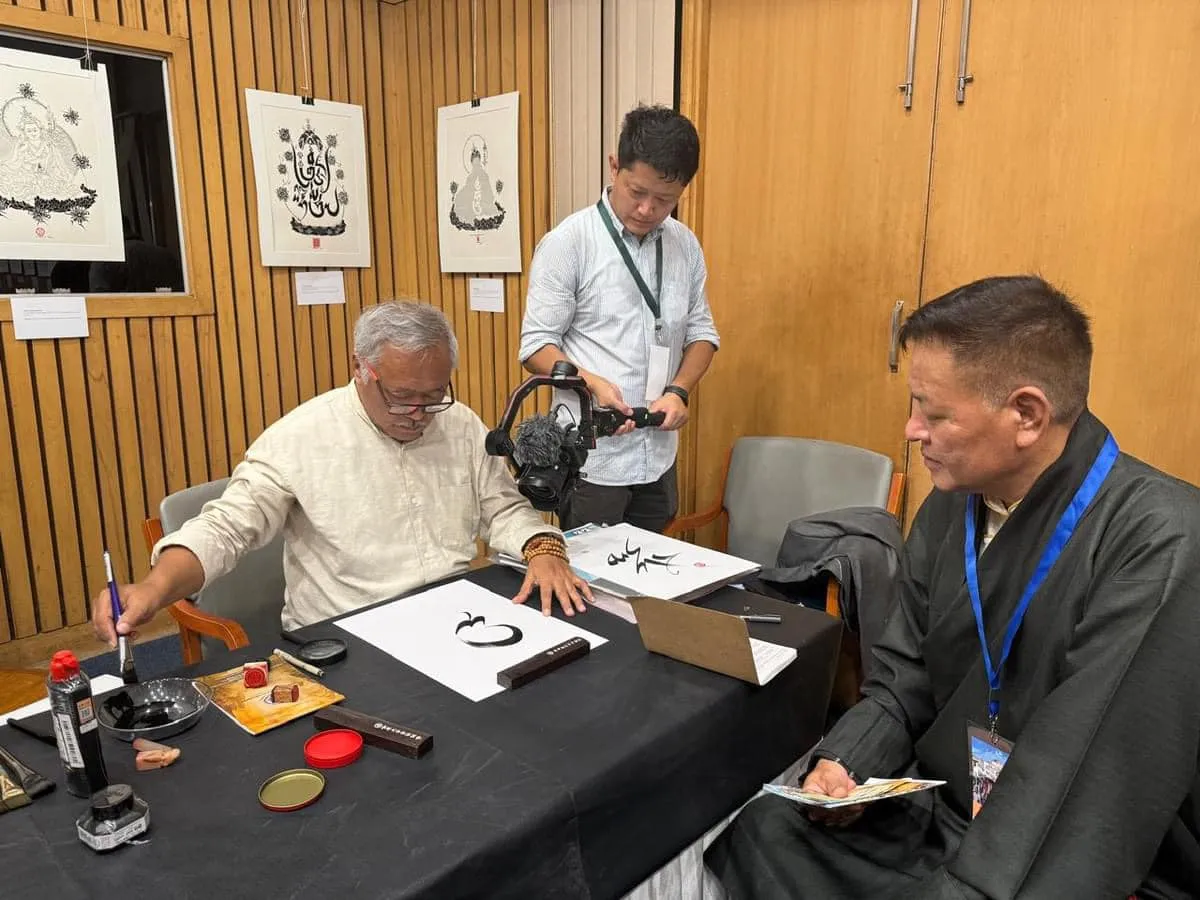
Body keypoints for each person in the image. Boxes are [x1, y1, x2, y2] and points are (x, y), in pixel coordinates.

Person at [706, 276, 1200, 898]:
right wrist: (850, 762)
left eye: (932, 412)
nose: (911, 431)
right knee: (770, 826)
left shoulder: (1160, 538)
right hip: (950, 808)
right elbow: (906, 673)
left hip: (1063, 846)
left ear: (1026, 414)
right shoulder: (953, 504)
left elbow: (1091, 780)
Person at [91, 301, 592, 646]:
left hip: (453, 619)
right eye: (402, 396)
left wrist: (540, 548)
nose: (418, 412)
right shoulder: (302, 437)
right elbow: (226, 528)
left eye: (433, 394)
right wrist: (152, 590)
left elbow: (501, 506)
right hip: (347, 637)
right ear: (360, 367)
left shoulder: (457, 423)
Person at [519, 104, 720, 533]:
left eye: (665, 200)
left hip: (659, 455)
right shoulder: (569, 243)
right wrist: (591, 383)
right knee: (593, 589)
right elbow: (536, 346)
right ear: (615, 167)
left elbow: (702, 334)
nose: (647, 209)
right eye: (636, 192)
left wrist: (678, 391)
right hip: (593, 459)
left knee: (651, 584)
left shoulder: (685, 245)